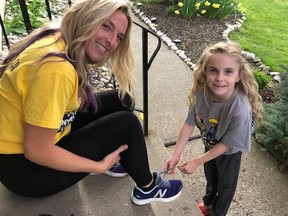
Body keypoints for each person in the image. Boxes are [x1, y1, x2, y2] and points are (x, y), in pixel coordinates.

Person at [0, 0, 183, 205]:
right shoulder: (55, 70)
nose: (112, 42)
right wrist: (97, 166)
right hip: (26, 172)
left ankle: (118, 156)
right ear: (88, 17)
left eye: (119, 37)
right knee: (127, 123)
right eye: (106, 26)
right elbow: (37, 150)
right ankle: (148, 188)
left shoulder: (58, 37)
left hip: (41, 138)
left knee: (122, 100)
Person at [164, 41, 263, 215]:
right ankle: (208, 203)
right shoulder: (202, 93)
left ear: (238, 76)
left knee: (225, 187)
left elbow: (225, 146)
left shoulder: (240, 110)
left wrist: (196, 161)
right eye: (213, 70)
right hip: (210, 142)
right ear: (205, 72)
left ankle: (217, 213)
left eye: (228, 71)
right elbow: (189, 123)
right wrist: (176, 154)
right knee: (211, 176)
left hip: (229, 152)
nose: (219, 78)